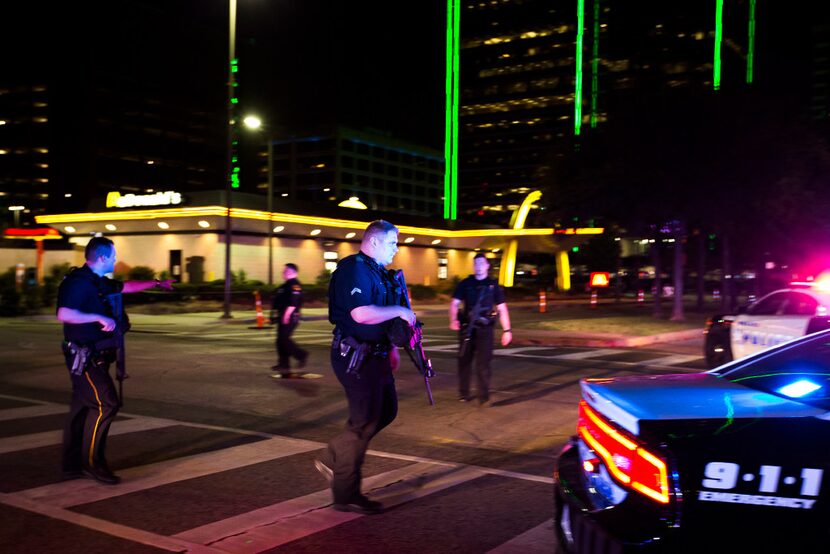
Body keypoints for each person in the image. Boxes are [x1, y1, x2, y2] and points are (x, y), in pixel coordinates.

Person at [315, 220, 416, 515]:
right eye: (392, 243)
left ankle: (335, 456)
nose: (396, 249)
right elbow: (361, 314)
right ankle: (346, 494)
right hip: (355, 358)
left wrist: (393, 349)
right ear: (373, 242)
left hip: (378, 356)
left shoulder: (379, 273)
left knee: (386, 411)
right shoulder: (354, 268)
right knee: (363, 423)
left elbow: (382, 319)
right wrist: (401, 310)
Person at [56, 236, 174, 484]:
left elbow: (126, 287)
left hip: (96, 356)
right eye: (113, 255)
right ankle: (92, 463)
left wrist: (156, 283)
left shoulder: (98, 281)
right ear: (101, 258)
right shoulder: (78, 282)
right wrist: (98, 318)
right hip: (85, 357)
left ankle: (72, 465)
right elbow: (64, 313)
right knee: (106, 405)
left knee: (82, 409)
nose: (115, 259)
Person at [449, 253, 512, 406]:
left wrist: (507, 330)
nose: (478, 266)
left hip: (485, 330)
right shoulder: (465, 284)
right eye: (475, 263)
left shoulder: (492, 285)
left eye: (481, 263)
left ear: (487, 266)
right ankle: (464, 393)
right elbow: (454, 303)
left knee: (483, 364)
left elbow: (502, 308)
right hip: (467, 329)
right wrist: (453, 319)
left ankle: (483, 395)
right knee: (464, 362)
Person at [271, 263, 308, 377]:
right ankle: (283, 364)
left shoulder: (294, 285)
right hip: (282, 315)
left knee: (284, 338)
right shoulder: (284, 286)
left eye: (286, 270)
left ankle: (301, 355)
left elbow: (293, 303)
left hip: (290, 316)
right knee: (280, 340)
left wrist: (286, 316)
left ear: (293, 272)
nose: (284, 272)